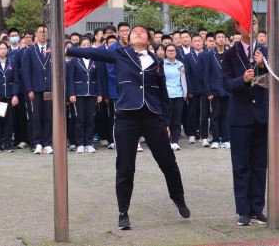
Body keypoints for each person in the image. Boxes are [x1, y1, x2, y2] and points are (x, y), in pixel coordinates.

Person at [66, 25, 190, 231]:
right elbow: (93, 52)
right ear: (129, 39)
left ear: (148, 39)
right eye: (134, 32)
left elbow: (163, 94)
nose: (138, 33)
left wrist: (166, 121)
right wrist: (68, 50)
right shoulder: (119, 54)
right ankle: (123, 212)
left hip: (153, 116)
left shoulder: (157, 61)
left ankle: (179, 198)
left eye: (142, 32)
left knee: (168, 161)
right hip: (127, 116)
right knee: (125, 165)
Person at [222, 17, 272, 227]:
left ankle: (257, 209)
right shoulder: (230, 54)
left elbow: (276, 80)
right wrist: (242, 80)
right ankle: (243, 210)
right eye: (246, 22)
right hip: (240, 117)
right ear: (237, 26)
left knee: (259, 165)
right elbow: (226, 84)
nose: (251, 26)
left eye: (254, 22)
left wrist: (262, 65)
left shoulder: (266, 52)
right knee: (241, 166)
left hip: (261, 116)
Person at [67, 37, 107, 154]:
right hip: (79, 93)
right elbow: (70, 79)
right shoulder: (74, 60)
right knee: (79, 119)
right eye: (83, 45)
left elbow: (99, 78)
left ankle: (89, 143)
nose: (85, 47)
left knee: (90, 119)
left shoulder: (95, 60)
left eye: (87, 45)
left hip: (92, 93)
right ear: (79, 47)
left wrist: (100, 93)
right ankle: (80, 143)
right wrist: (71, 93)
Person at [23, 24, 54, 155]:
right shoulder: (30, 50)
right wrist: (29, 89)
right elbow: (26, 72)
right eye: (40, 32)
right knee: (36, 116)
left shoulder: (52, 49)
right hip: (35, 89)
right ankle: (37, 143)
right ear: (36, 34)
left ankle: (47, 143)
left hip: (48, 89)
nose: (43, 34)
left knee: (48, 115)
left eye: (45, 31)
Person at [0, 41, 19, 152]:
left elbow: (16, 80)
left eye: (5, 48)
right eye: (0, 49)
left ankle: (8, 144)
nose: (3, 51)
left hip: (9, 95)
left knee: (9, 122)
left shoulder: (12, 62)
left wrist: (15, 95)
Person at [205, 31, 230, 149]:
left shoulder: (229, 54)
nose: (221, 39)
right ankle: (215, 139)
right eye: (218, 37)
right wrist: (208, 92)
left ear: (225, 39)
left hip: (228, 90)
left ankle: (225, 139)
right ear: (215, 40)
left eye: (222, 37)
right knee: (215, 116)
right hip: (215, 91)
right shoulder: (210, 55)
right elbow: (206, 75)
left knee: (226, 116)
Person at [163, 44, 187, 150]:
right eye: (169, 50)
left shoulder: (180, 64)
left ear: (176, 52)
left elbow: (183, 80)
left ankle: (175, 141)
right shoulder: (162, 64)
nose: (171, 52)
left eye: (173, 50)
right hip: (166, 95)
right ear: (165, 52)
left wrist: (185, 93)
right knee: (166, 120)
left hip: (178, 95)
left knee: (176, 119)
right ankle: (167, 141)